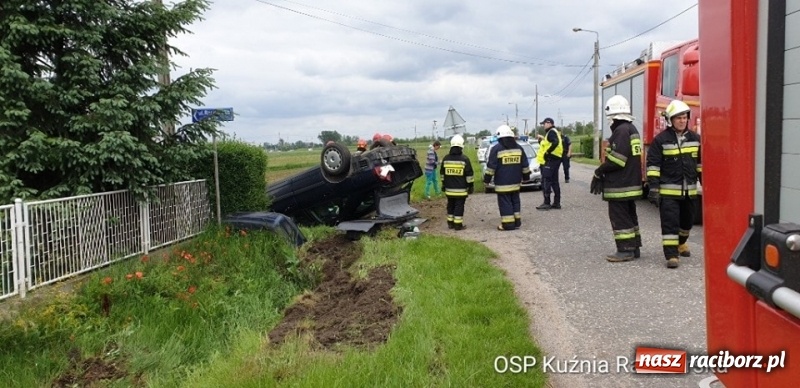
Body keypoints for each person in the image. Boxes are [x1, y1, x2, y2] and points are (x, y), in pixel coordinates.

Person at [646, 99, 702, 269]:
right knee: (670, 224)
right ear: (670, 120)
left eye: (684, 117)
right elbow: (653, 165)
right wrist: (654, 188)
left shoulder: (696, 139)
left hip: (689, 192)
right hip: (668, 193)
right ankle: (671, 255)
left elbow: (701, 165)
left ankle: (681, 242)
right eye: (678, 118)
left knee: (687, 223)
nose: (682, 121)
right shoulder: (660, 140)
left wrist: (707, 185)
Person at [590, 95, 644, 262]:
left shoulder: (621, 131)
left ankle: (625, 250)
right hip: (631, 183)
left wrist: (599, 171)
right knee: (629, 215)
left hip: (620, 185)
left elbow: (617, 160)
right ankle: (634, 247)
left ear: (613, 117)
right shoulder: (632, 129)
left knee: (620, 217)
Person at [484, 125, 531, 231]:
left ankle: (508, 224)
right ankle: (517, 222)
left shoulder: (496, 149)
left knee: (505, 203)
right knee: (515, 201)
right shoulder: (519, 148)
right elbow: (525, 165)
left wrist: (487, 180)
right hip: (516, 182)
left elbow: (491, 167)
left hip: (502, 183)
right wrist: (526, 177)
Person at [440, 134, 474, 230]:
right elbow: (469, 175)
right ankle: (458, 225)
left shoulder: (446, 159)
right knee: (459, 206)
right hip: (461, 190)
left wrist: (443, 184)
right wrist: (470, 186)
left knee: (450, 205)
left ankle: (450, 223)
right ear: (461, 146)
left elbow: (442, 173)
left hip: (449, 189)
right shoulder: (464, 159)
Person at [535, 117, 563, 210]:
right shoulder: (553, 132)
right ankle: (557, 203)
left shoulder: (551, 132)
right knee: (554, 181)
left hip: (551, 159)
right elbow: (549, 144)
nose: (543, 125)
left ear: (549, 123)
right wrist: (541, 141)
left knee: (546, 180)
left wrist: (547, 152)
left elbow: (555, 142)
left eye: (544, 124)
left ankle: (547, 202)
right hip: (556, 158)